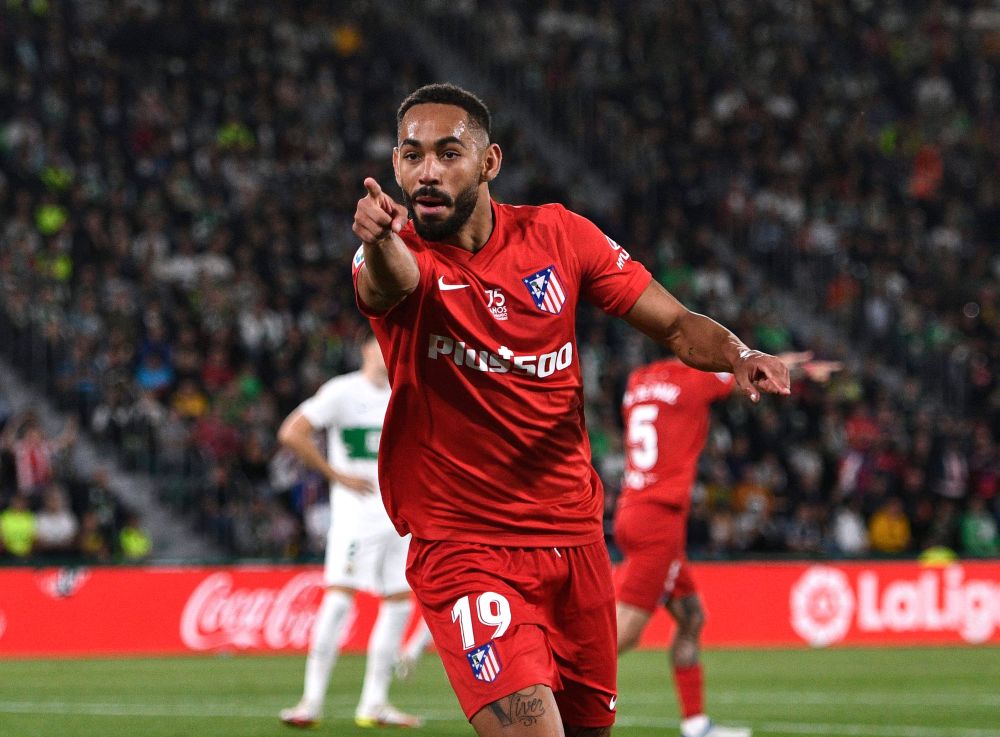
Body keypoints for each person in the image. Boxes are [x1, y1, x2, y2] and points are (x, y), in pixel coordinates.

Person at [350, 83, 792, 737]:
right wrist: (383, 237)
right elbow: (388, 279)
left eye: (449, 152)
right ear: (395, 165)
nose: (428, 171)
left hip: (576, 543)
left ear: (489, 162)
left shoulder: (559, 235)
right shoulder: (397, 254)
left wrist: (738, 352)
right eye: (412, 156)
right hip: (466, 546)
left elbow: (673, 324)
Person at [615, 354, 839, 737]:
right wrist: (797, 369)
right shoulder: (692, 380)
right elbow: (750, 370)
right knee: (621, 635)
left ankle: (697, 725)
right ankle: (553, 694)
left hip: (632, 509)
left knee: (692, 619)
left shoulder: (637, 382)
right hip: (660, 520)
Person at [278, 332, 423, 729]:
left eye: (392, 343)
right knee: (339, 602)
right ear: (364, 350)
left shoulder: (407, 392)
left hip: (399, 518)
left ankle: (374, 703)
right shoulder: (342, 391)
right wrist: (335, 474)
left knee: (399, 605)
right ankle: (310, 703)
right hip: (356, 518)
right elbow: (292, 432)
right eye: (380, 343)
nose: (387, 350)